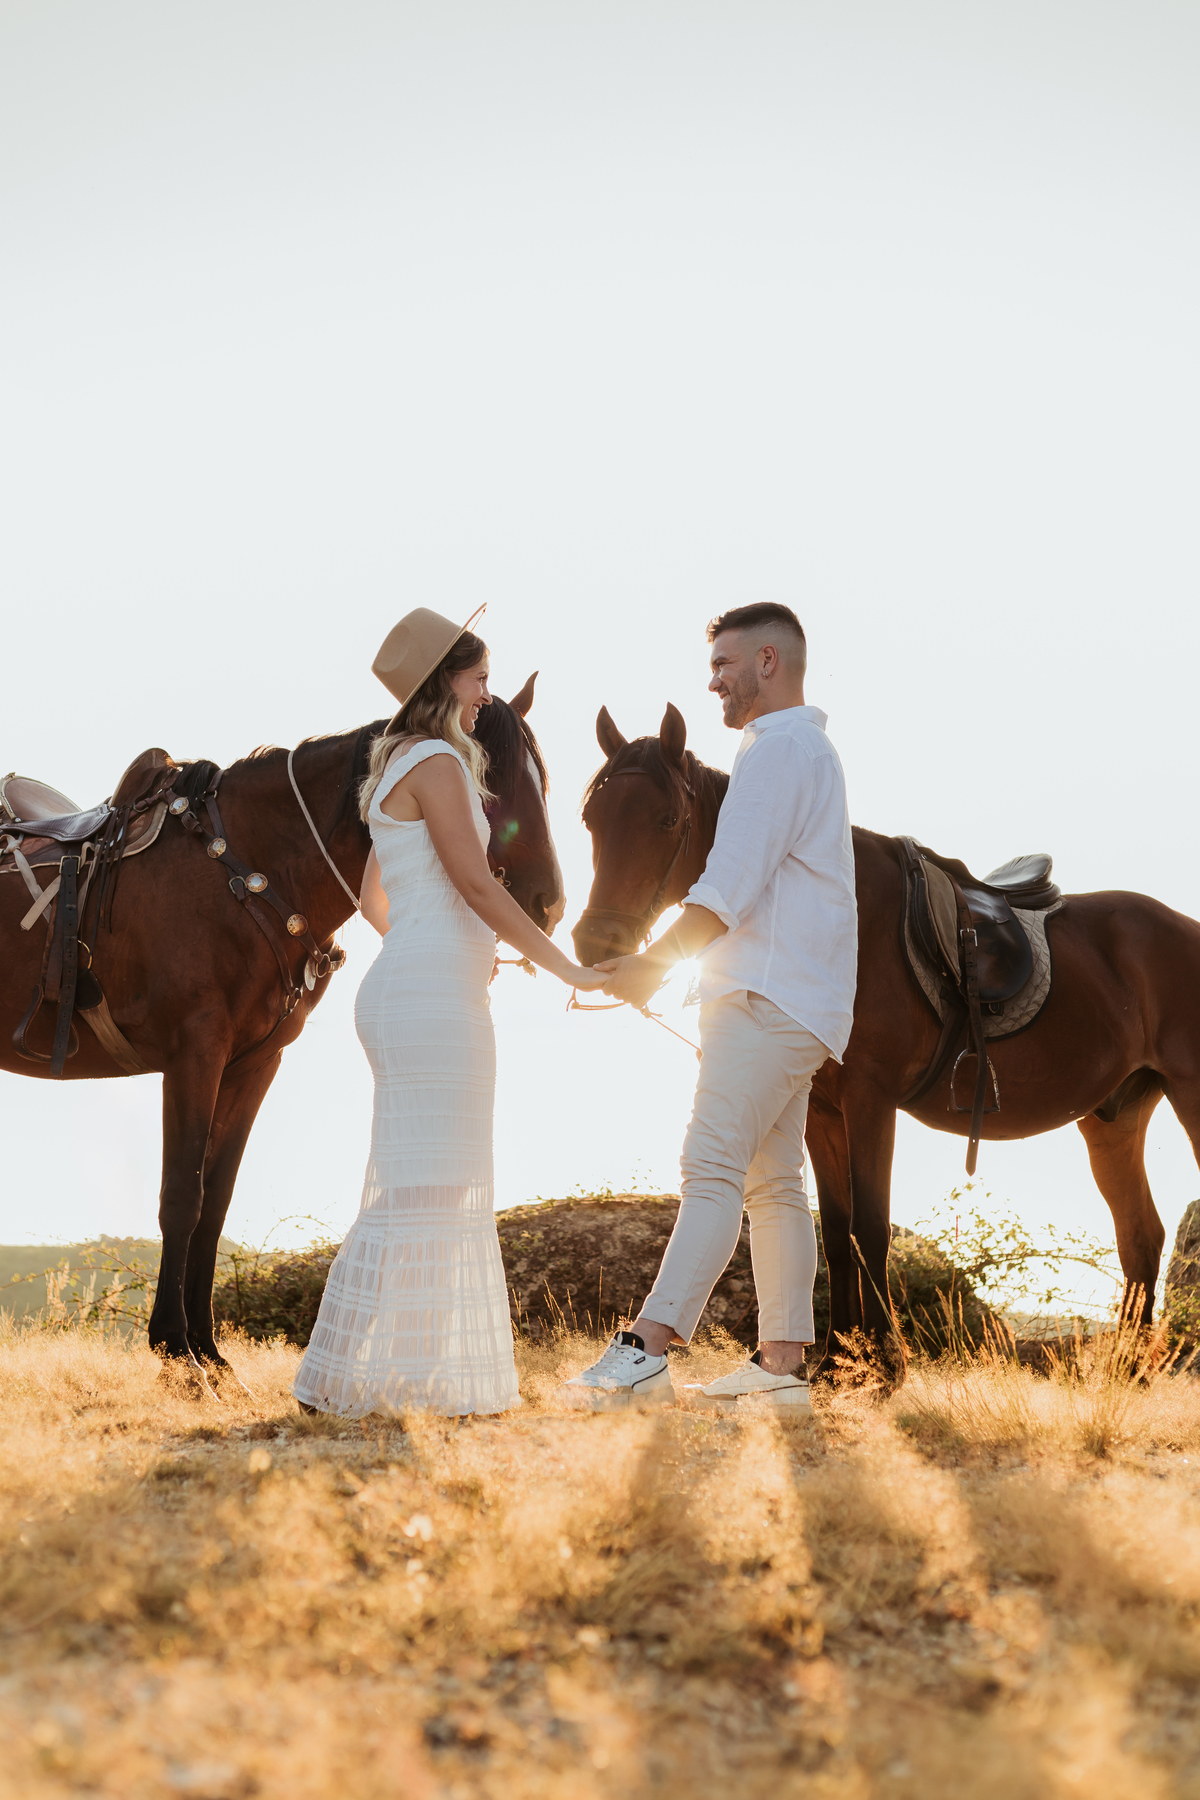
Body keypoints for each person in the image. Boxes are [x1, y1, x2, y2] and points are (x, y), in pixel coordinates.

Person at [294, 607, 606, 1418]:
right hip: (430, 998)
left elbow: (374, 899)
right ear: (445, 682)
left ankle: (367, 1376)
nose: (486, 697)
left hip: (409, 987)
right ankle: (372, 1379)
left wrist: (451, 946)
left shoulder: (393, 763)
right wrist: (559, 961)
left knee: (418, 1187)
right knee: (431, 1189)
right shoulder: (437, 760)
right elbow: (476, 882)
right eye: (478, 680)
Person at [564, 602, 857, 1413]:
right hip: (798, 1003)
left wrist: (651, 965)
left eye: (725, 664)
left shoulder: (779, 751)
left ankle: (646, 1351)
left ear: (769, 661)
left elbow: (726, 888)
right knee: (773, 1186)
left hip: (764, 999)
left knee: (711, 1167)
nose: (714, 681)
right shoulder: (805, 750)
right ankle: (780, 1369)